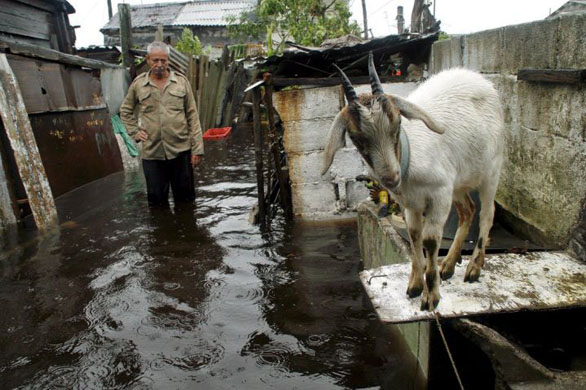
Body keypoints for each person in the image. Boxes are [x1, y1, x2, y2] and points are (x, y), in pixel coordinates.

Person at [120, 41, 204, 207]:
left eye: (163, 61)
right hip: (153, 154)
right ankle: (162, 232)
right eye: (155, 60)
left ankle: (186, 231)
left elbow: (192, 116)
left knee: (186, 201)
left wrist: (198, 149)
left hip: (181, 151)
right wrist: (134, 132)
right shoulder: (139, 84)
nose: (159, 65)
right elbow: (125, 111)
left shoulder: (181, 82)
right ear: (148, 60)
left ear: (168, 60)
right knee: (156, 202)